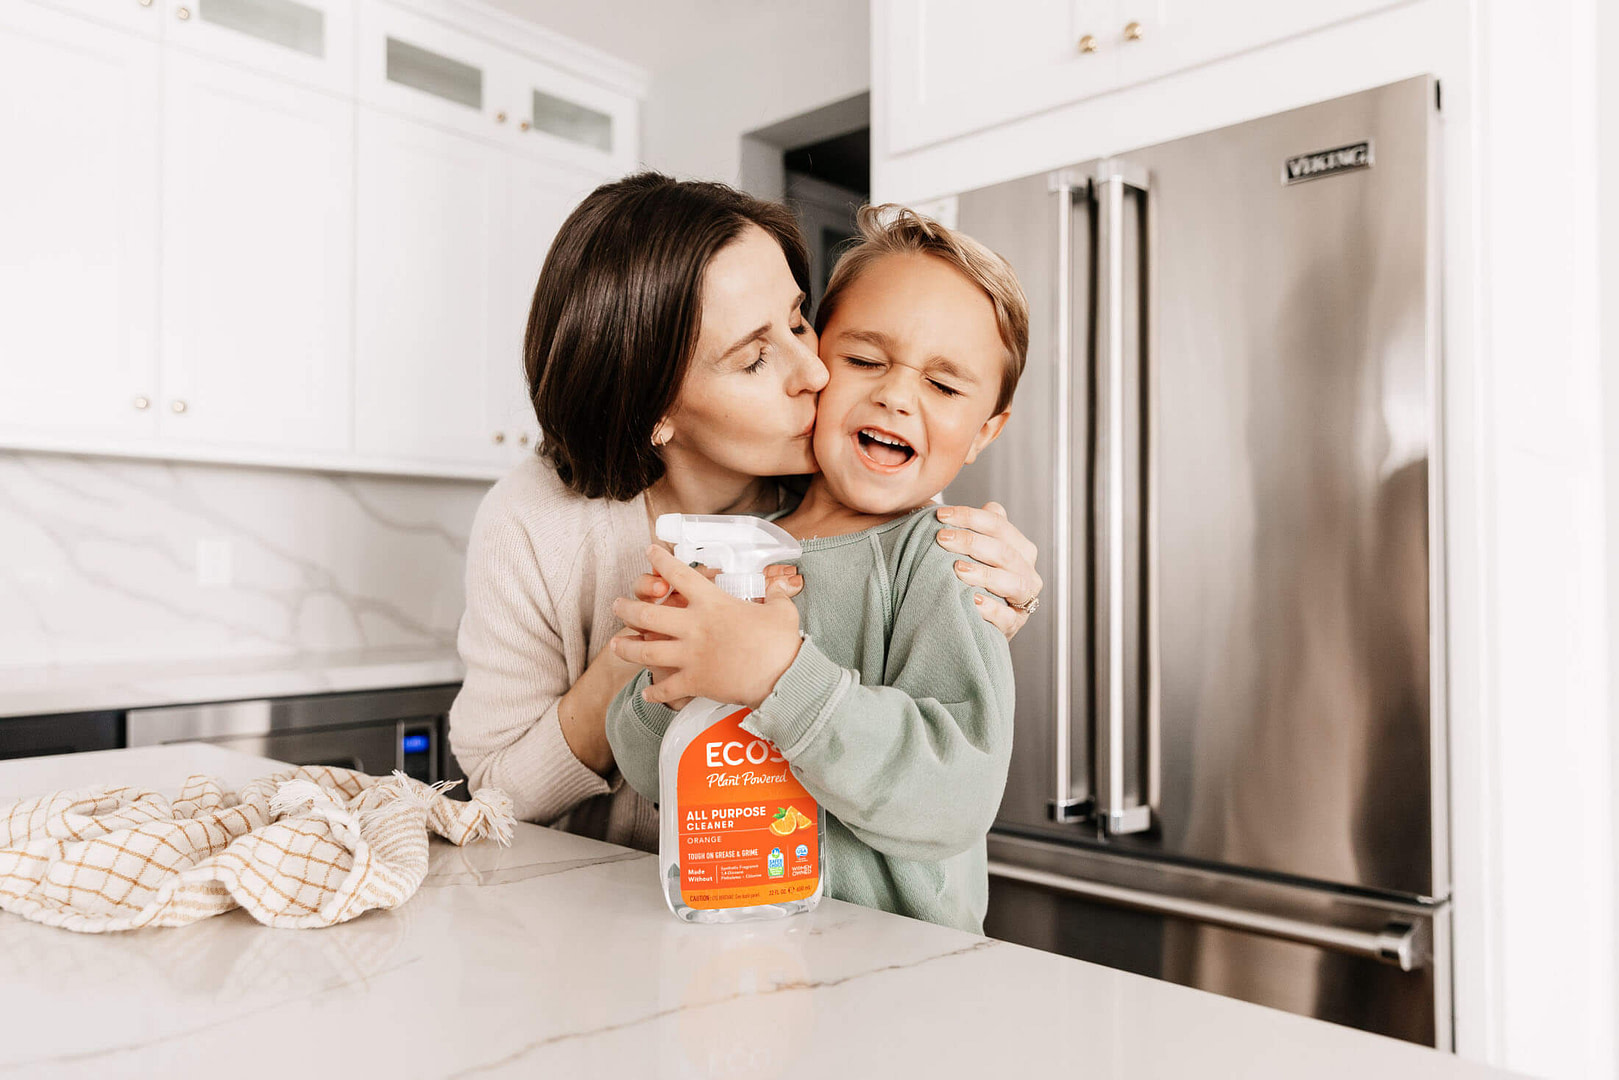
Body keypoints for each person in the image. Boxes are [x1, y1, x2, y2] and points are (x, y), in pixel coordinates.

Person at [448, 174, 1043, 853]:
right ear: (655, 408)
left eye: (798, 321)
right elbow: (504, 795)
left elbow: (942, 763)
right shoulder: (535, 522)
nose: (815, 372)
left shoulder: (869, 487)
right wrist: (655, 651)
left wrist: (985, 594)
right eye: (756, 356)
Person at [605, 205, 1026, 933]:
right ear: (817, 368)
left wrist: (779, 677)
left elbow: (955, 798)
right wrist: (669, 680)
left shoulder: (944, 561)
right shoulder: (737, 546)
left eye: (944, 386)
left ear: (985, 431)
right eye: (864, 360)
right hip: (742, 946)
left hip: (893, 980)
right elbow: (650, 774)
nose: (896, 394)